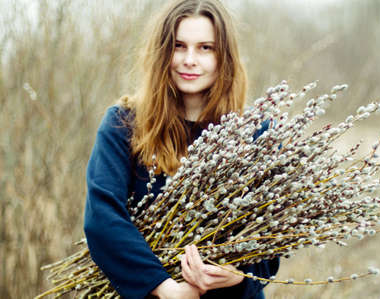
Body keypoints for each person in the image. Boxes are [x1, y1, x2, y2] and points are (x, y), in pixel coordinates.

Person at [83, 0, 279, 298]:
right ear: (163, 53)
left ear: (224, 57)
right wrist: (163, 288)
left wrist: (237, 274)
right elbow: (102, 216)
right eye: (178, 46)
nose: (190, 59)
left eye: (205, 48)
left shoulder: (256, 133)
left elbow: (273, 236)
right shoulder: (123, 124)